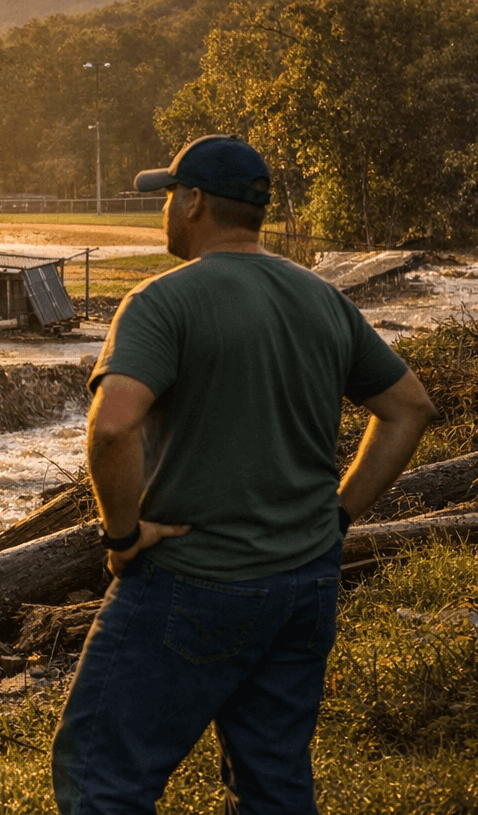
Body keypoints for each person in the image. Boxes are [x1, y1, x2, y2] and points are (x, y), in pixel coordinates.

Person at [50, 135, 436, 814]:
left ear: (194, 202)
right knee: (273, 780)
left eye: (169, 196)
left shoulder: (162, 301)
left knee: (102, 777)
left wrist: (121, 536)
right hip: (305, 583)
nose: (165, 211)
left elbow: (113, 427)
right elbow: (409, 409)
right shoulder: (322, 299)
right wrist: (338, 517)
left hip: (194, 579)